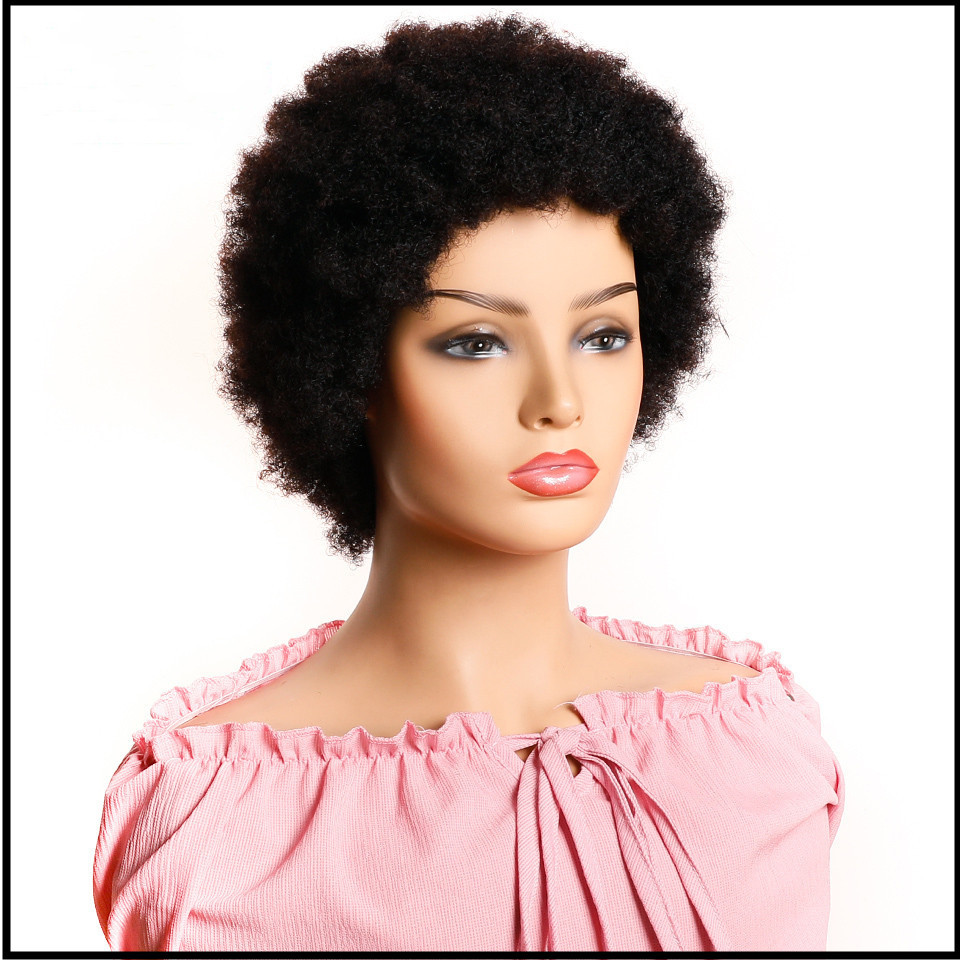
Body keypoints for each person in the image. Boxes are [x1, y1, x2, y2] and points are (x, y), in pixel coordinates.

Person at [92, 15, 844, 951]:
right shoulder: (216, 827)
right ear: (351, 369)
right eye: (477, 342)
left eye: (603, 335)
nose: (560, 401)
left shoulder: (756, 754)